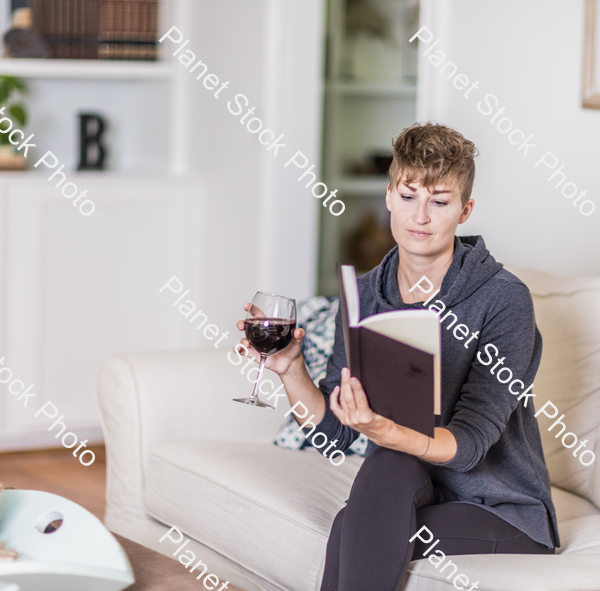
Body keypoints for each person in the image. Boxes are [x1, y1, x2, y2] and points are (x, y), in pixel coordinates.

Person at [236, 123, 558, 590]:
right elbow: (335, 438)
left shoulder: (504, 300)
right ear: (388, 197)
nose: (420, 217)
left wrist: (384, 430)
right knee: (386, 465)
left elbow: (468, 447)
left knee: (360, 513)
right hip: (412, 490)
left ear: (465, 210)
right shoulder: (364, 294)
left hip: (500, 509)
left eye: (440, 201)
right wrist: (290, 369)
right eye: (408, 197)